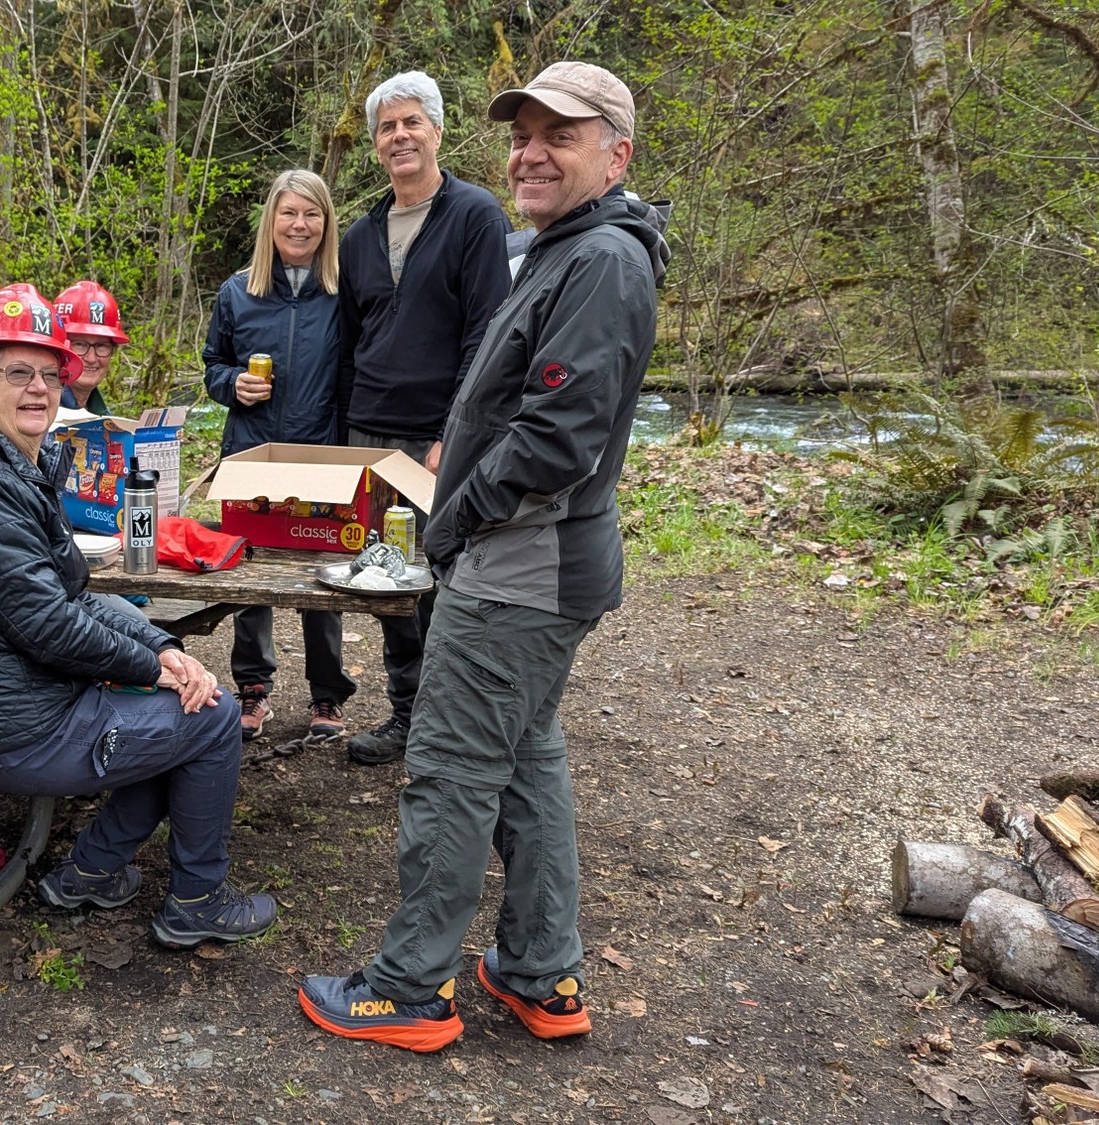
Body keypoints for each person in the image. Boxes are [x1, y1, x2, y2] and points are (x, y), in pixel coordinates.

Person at [299, 61, 668, 1051]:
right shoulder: (568, 247)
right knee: (525, 760)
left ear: (613, 155)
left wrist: (450, 519)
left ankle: (407, 988)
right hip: (539, 562)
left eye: (560, 135)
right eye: (522, 133)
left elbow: (559, 435)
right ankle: (539, 973)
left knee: (452, 769)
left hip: (519, 564)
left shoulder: (600, 264)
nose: (531, 152)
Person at [0, 283, 277, 949]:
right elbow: (48, 626)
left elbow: (76, 595)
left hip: (42, 705)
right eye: (17, 372)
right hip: (24, 731)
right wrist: (156, 669)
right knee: (215, 717)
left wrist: (162, 649)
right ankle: (198, 899)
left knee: (177, 710)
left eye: (50, 374)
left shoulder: (20, 467)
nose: (38, 388)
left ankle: (87, 871)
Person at [334, 71, 513, 767]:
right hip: (370, 430)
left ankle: (451, 725)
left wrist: (456, 432)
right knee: (388, 580)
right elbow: (349, 342)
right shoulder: (359, 234)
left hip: (439, 437)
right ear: (375, 145)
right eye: (387, 127)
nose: (399, 136)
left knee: (447, 581)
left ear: (437, 131)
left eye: (412, 122)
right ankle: (408, 716)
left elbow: (489, 333)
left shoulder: (476, 215)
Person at [202, 169, 353, 742]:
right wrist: (231, 383)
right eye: (289, 213)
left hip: (320, 452)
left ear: (325, 223)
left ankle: (328, 696)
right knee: (250, 577)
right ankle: (253, 688)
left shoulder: (342, 293)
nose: (299, 224)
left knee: (325, 576)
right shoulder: (238, 291)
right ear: (271, 220)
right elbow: (213, 363)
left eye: (311, 214)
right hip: (251, 451)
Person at [54, 280, 127, 415]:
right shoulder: (38, 413)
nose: (91, 358)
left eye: (101, 346)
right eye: (79, 344)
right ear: (57, 348)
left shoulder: (103, 417)